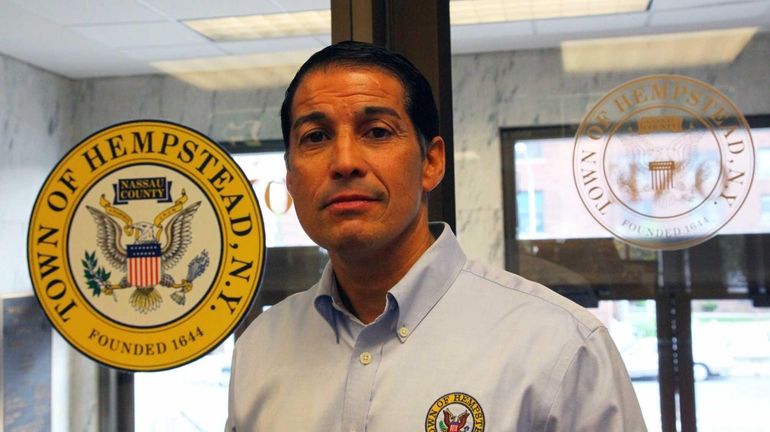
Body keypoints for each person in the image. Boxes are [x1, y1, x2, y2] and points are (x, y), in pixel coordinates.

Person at [226, 40, 646, 431]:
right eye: (316, 137)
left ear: (431, 162)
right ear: (291, 178)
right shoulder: (262, 347)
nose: (345, 162)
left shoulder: (559, 347)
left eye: (377, 132)